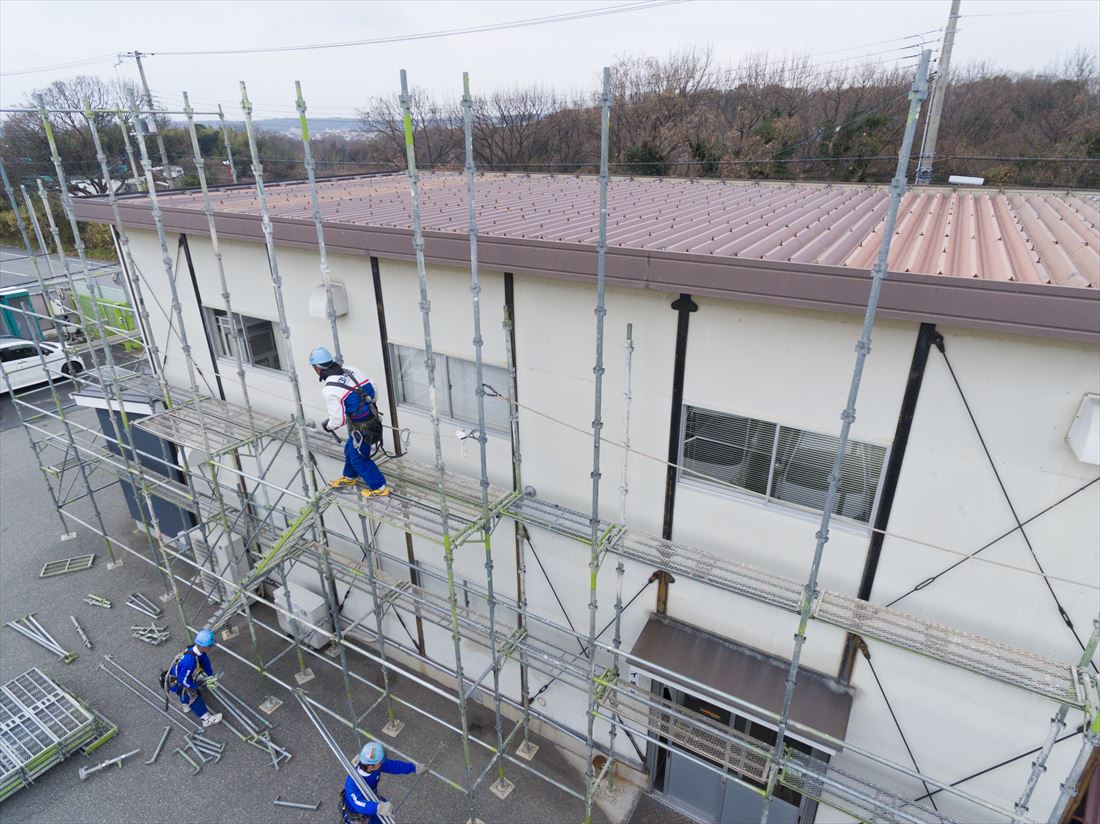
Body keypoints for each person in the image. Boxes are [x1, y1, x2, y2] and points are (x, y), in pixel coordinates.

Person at [310, 346, 389, 498]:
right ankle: (349, 477)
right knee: (349, 450)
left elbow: (339, 419)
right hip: (373, 419)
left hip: (362, 428)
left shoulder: (330, 389)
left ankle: (379, 487)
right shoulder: (351, 370)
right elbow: (373, 385)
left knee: (359, 458)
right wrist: (368, 405)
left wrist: (329, 426)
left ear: (317, 369)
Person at [341, 741, 415, 823]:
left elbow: (393, 766)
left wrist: (413, 768)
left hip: (371, 798)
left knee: (385, 812)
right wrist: (377, 807)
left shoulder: (375, 766)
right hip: (359, 813)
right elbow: (358, 803)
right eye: (380, 762)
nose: (382, 763)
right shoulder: (352, 782)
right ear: (370, 766)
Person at [164, 628, 223, 729]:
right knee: (194, 696)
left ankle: (186, 705)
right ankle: (206, 720)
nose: (211, 647)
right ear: (204, 647)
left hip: (179, 677)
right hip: (178, 682)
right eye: (210, 645)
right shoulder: (190, 661)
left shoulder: (197, 652)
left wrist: (210, 679)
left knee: (187, 693)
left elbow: (206, 664)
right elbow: (183, 681)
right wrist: (196, 686)